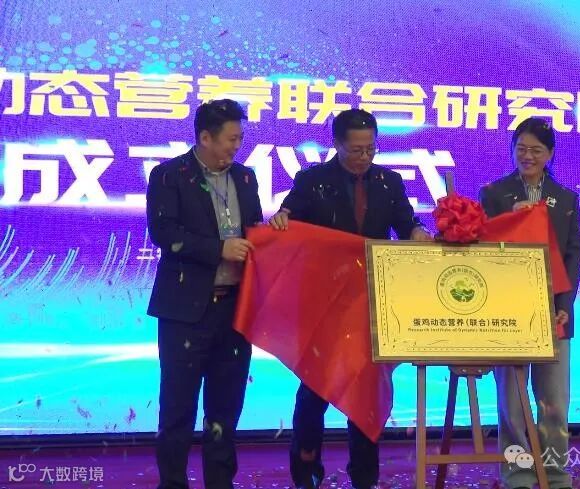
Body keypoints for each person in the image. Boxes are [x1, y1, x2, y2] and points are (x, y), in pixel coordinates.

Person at [268, 108, 432, 489]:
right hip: (323, 303)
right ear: (337, 144)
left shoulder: (389, 182)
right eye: (356, 149)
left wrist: (417, 231)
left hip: (370, 303)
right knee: (315, 389)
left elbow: (405, 222)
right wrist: (281, 219)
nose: (364, 156)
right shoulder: (313, 180)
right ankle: (306, 468)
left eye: (370, 148)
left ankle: (364, 476)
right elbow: (289, 217)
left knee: (366, 390)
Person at [146, 99, 264, 489]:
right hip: (184, 311)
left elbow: (253, 229)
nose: (237, 146)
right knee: (177, 409)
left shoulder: (245, 178)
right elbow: (164, 233)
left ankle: (220, 483)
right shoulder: (169, 175)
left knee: (224, 411)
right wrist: (219, 249)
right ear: (205, 138)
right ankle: (173, 483)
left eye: (240, 138)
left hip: (234, 311)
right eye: (231, 139)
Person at [479, 117, 580, 489]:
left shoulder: (566, 199)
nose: (528, 156)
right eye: (521, 149)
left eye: (536, 150)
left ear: (550, 154)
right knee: (511, 400)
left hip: (554, 311)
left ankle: (554, 471)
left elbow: (573, 254)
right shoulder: (494, 194)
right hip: (509, 310)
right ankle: (518, 470)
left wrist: (564, 304)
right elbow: (482, 247)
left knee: (554, 400)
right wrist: (514, 222)